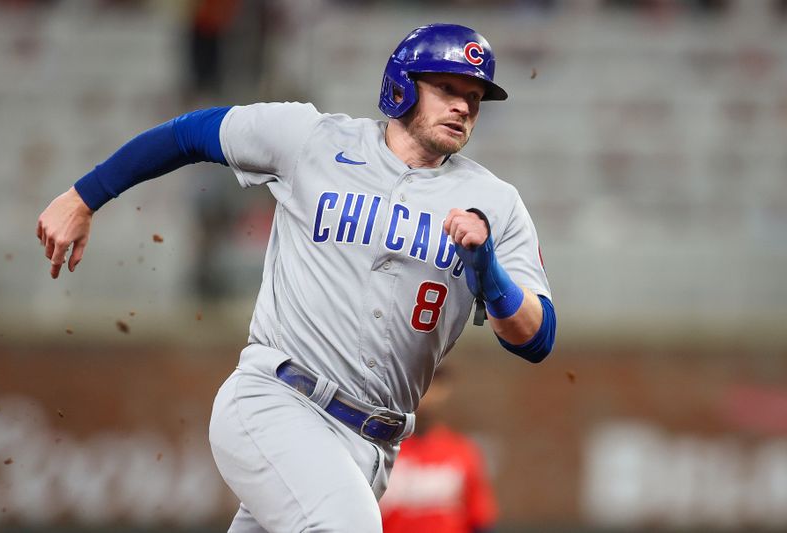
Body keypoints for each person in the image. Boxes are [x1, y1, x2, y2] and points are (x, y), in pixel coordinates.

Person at [36, 23, 556, 533]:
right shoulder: (313, 139)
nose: (463, 106)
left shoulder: (496, 204)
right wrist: (84, 197)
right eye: (446, 87)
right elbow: (189, 134)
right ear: (401, 85)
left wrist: (489, 272)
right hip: (279, 401)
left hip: (373, 446)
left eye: (474, 95)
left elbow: (537, 337)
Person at [380, 367, 498, 533]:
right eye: (420, 384)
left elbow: (480, 519)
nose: (428, 395)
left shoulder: (462, 450)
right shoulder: (382, 450)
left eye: (435, 384)